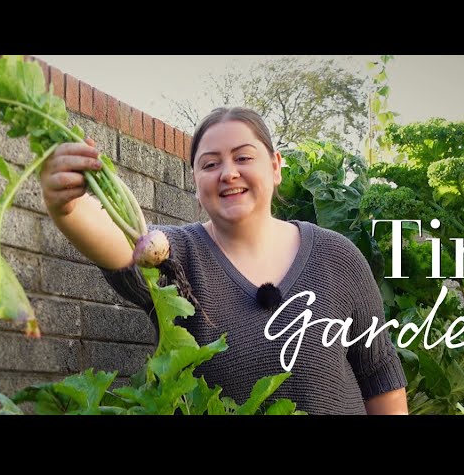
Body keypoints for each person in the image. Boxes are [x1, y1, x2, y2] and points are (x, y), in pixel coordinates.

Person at [41, 107, 408, 415]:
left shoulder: (337, 257)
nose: (228, 173)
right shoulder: (177, 255)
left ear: (276, 166)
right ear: (196, 182)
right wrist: (66, 205)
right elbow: (119, 246)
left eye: (243, 157)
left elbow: (380, 378)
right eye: (210, 164)